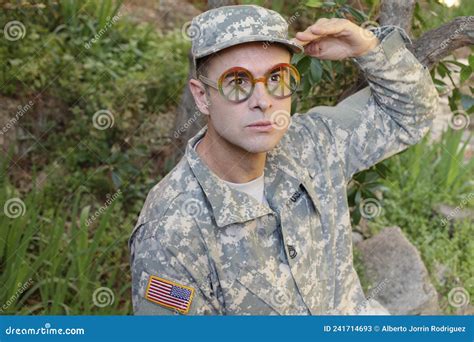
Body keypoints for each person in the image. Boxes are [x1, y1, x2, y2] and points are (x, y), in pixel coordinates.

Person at [128, 4, 439, 315]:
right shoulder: (170, 231)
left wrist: (369, 48)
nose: (263, 101)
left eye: (277, 77)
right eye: (238, 82)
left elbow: (412, 113)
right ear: (202, 96)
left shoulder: (313, 143)